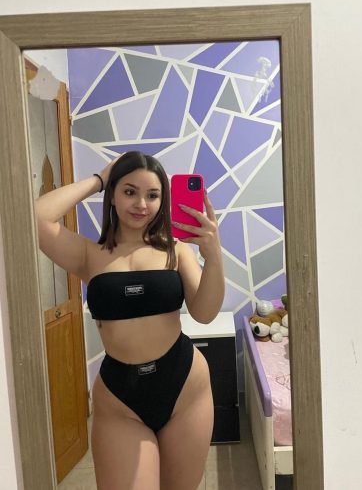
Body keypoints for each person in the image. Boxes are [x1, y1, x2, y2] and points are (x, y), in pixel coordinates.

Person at [35, 151, 225, 490]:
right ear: (112, 195)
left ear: (163, 201)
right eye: (129, 191)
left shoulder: (176, 251)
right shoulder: (89, 255)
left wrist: (213, 256)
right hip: (120, 399)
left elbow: (205, 313)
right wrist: (98, 179)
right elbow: (35, 218)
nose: (141, 204)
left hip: (185, 388)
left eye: (152, 195)